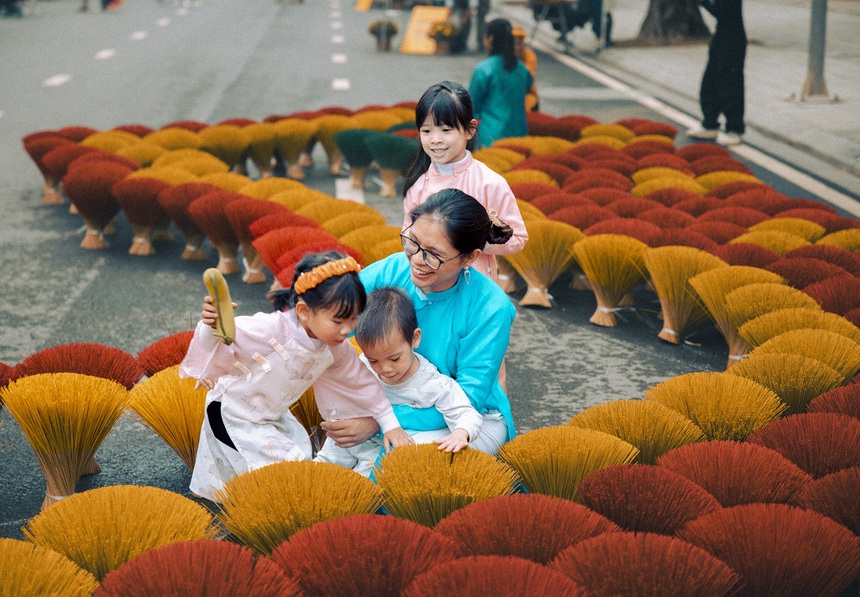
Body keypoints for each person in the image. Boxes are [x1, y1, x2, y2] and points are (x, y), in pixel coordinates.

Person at [179, 252, 412, 500]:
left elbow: (360, 383)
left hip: (270, 416)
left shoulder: (335, 348)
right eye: (338, 320)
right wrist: (211, 326)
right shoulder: (271, 329)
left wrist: (390, 425)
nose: (347, 329)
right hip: (232, 413)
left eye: (354, 319)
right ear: (303, 310)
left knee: (297, 457)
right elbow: (227, 338)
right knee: (289, 468)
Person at [321, 189, 518, 456]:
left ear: (470, 258)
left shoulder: (491, 307)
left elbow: (468, 397)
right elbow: (335, 322)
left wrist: (379, 422)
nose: (416, 260)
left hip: (466, 420)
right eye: (412, 242)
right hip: (391, 400)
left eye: (433, 255)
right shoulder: (391, 270)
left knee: (401, 460)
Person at [315, 286, 483, 475]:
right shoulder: (362, 366)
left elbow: (466, 413)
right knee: (325, 464)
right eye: (374, 360)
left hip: (388, 446)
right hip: (355, 439)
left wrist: (461, 433)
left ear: (415, 338)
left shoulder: (431, 383)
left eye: (394, 359)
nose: (385, 369)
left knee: (368, 477)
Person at [402, 80, 528, 283]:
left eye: (446, 130)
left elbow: (518, 238)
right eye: (426, 131)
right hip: (429, 287)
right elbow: (408, 239)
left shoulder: (490, 183)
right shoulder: (418, 186)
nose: (435, 139)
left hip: (474, 287)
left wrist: (476, 240)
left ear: (470, 130)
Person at [686, 0, 746, 146]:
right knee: (710, 82)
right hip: (720, 37)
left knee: (730, 85)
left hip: (733, 40)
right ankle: (710, 123)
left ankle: (734, 129)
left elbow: (721, 10)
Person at [468, 18, 533, 149]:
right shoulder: (522, 69)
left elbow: (471, 106)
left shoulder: (484, 69)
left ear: (490, 39)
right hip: (519, 136)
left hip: (491, 137)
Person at [512, 26, 539, 112]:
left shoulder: (529, 55)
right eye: (514, 43)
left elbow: (526, 76)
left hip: (528, 94)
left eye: (519, 42)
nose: (516, 47)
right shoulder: (503, 56)